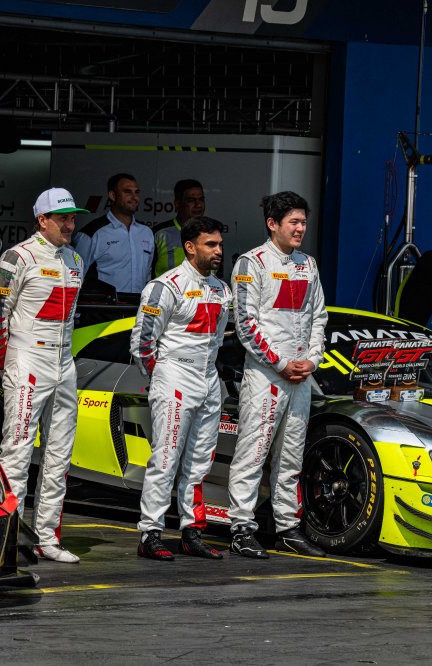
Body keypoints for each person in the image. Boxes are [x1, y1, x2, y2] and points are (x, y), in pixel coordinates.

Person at [228, 191, 328, 559]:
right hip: (266, 376)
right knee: (253, 452)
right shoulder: (250, 263)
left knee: (291, 455)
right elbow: (245, 324)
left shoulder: (308, 264)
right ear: (273, 224)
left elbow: (319, 317)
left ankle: (287, 527)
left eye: (304, 222)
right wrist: (281, 363)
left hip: (300, 376)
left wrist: (312, 360)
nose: (301, 228)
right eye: (294, 222)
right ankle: (241, 528)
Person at [0, 188, 89, 564]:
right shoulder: (18, 256)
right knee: (17, 451)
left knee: (60, 454)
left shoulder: (76, 259)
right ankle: (9, 538)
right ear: (42, 220)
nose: (70, 224)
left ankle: (46, 538)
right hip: (28, 360)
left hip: (64, 363)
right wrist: (8, 363)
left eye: (73, 218)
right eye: (62, 218)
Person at [130, 216, 231, 561]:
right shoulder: (165, 286)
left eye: (219, 244)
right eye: (210, 244)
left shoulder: (222, 290)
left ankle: (192, 532)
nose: (218, 251)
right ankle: (150, 533)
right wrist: (161, 378)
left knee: (200, 462)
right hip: (174, 376)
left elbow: (219, 339)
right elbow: (142, 343)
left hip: (208, 379)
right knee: (166, 459)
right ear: (190, 247)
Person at [74, 173, 154, 296]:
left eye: (137, 192)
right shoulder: (92, 233)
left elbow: (147, 275)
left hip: (138, 305)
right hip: (104, 306)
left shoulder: (146, 232)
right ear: (112, 195)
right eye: (127, 192)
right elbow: (74, 277)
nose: (134, 197)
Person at [152, 179, 206, 277]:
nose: (198, 205)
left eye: (201, 199)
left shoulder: (212, 234)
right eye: (191, 200)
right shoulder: (159, 233)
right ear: (177, 204)